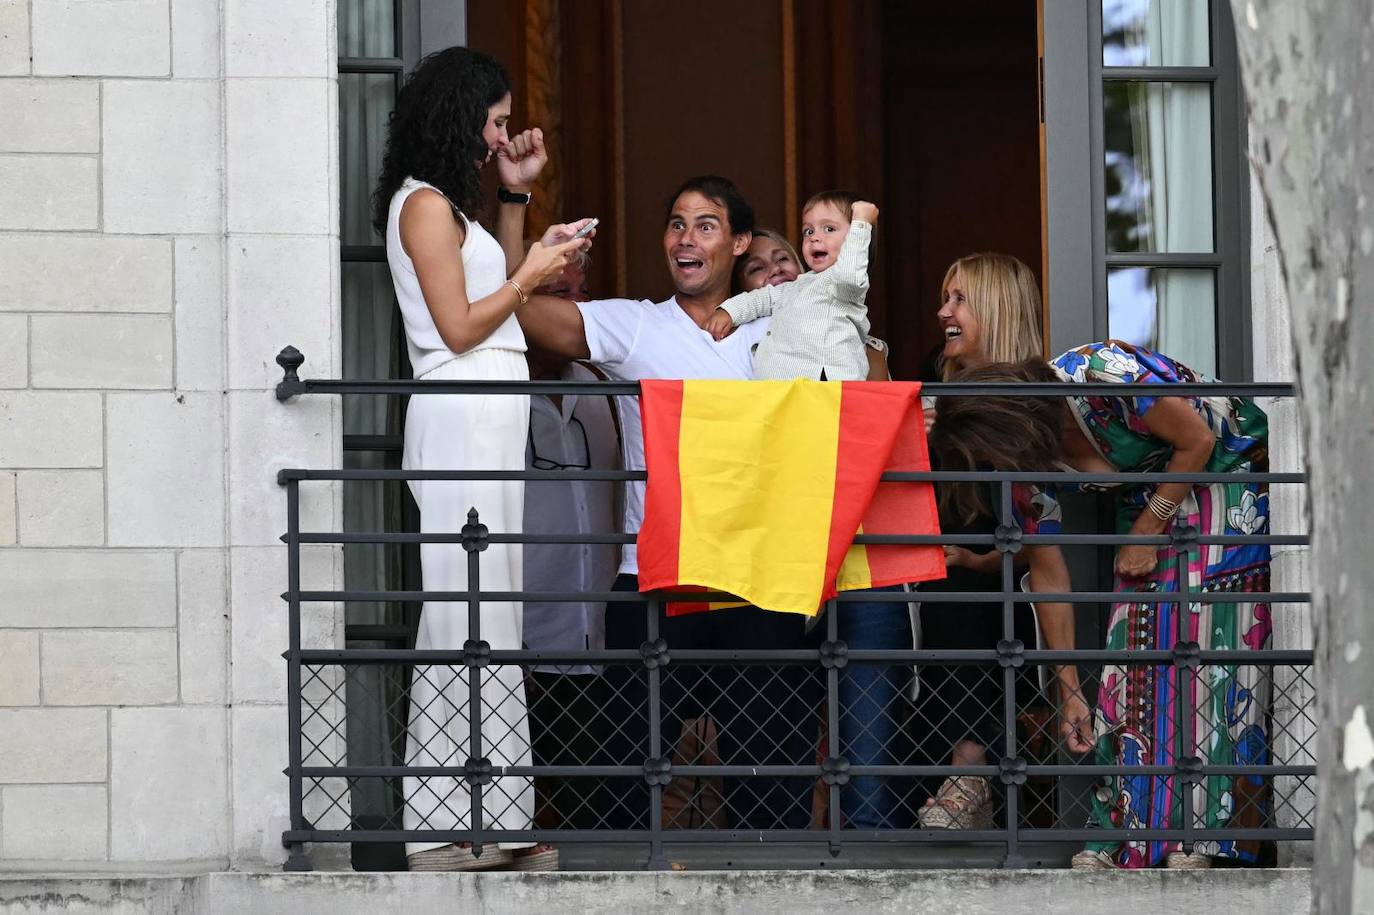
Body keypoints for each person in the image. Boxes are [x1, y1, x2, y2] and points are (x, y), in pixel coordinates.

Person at [518, 175, 819, 832]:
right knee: (627, 768)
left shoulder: (775, 330)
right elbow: (527, 312)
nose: (686, 238)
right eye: (677, 223)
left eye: (706, 224)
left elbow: (854, 390)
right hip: (653, 574)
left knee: (767, 776)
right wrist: (526, 236)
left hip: (753, 578)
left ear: (740, 242)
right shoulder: (635, 325)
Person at [372, 45, 591, 872]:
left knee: (491, 604)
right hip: (459, 414)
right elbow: (461, 327)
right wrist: (535, 271)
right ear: (461, 117)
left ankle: (494, 810)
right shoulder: (421, 207)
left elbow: (495, 275)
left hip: (489, 415)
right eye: (496, 122)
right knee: (463, 607)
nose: (503, 132)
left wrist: (517, 194)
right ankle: (441, 815)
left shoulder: (455, 208)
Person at [932, 348, 1271, 870]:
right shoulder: (1026, 465)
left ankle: (1201, 839)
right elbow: (1047, 572)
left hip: (1223, 481)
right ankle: (1131, 834)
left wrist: (1148, 528)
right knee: (1130, 655)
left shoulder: (1102, 372)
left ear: (1009, 428)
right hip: (1150, 505)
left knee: (1204, 649)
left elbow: (1198, 439)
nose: (991, 469)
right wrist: (1068, 691)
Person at [916, 253, 1092, 831]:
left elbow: (1041, 551)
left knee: (968, 580)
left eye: (959, 299)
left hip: (989, 584)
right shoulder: (929, 380)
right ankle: (962, 777)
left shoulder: (1033, 402)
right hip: (918, 573)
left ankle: (970, 774)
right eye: (945, 298)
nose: (943, 311)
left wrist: (1070, 691)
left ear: (997, 308)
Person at [522, 256, 622, 830]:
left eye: (577, 297)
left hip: (602, 637)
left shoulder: (608, 385)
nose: (569, 313)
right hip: (522, 643)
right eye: (555, 297)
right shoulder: (492, 389)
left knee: (599, 815)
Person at [705, 191, 877, 382]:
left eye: (829, 229)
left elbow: (850, 274)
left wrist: (862, 224)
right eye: (808, 231)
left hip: (825, 387)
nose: (814, 237)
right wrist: (729, 311)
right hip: (784, 396)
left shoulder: (842, 286)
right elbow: (762, 298)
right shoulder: (796, 287)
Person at [733, 228, 892, 382]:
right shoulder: (735, 346)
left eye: (782, 259)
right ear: (738, 289)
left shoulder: (860, 347)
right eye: (756, 268)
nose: (776, 269)